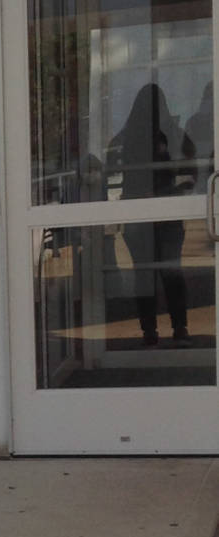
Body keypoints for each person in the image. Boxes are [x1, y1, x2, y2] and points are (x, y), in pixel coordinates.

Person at [107, 84, 194, 346]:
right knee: (171, 272)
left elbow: (110, 174)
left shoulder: (122, 140)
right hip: (168, 216)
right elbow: (192, 174)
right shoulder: (176, 135)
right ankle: (180, 329)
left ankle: (149, 332)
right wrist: (174, 190)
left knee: (143, 274)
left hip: (137, 216)